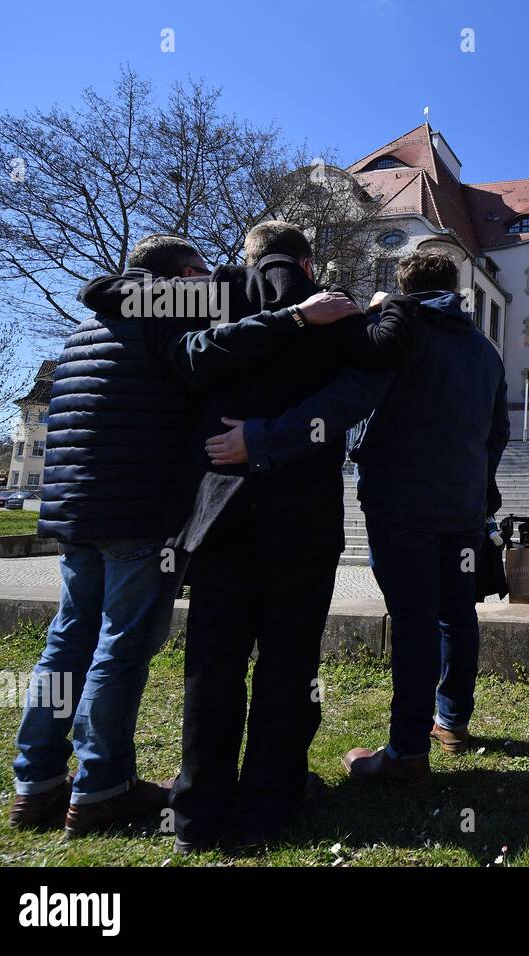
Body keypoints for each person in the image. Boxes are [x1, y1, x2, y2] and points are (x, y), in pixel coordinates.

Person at [10, 234, 357, 839]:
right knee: (121, 646)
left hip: (75, 509)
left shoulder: (88, 329)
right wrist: (301, 316)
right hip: (136, 508)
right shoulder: (169, 317)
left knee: (69, 643)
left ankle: (36, 781)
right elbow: (207, 353)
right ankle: (99, 786)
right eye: (197, 272)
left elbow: (108, 300)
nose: (210, 281)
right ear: (176, 280)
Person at [216, 251, 509, 783]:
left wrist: (260, 438)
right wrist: (474, 481)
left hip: (402, 501)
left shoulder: (397, 334)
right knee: (457, 615)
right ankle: (453, 721)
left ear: (401, 285)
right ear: (458, 284)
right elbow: (497, 432)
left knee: (416, 622)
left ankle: (405, 752)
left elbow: (343, 403)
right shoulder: (484, 351)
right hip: (464, 505)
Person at [148, 221, 389, 850]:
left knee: (213, 661)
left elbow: (183, 356)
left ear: (247, 255)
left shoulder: (213, 292)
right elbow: (361, 391)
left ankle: (197, 810)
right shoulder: (336, 309)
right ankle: (268, 801)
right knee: (288, 663)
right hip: (301, 514)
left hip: (220, 511)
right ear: (308, 264)